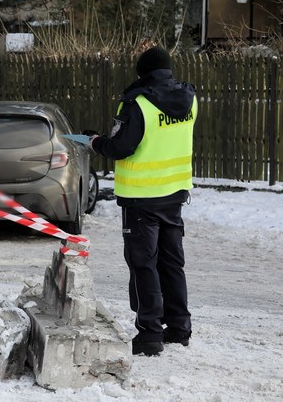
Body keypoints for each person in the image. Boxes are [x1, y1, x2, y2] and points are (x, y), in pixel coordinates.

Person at [88, 46, 197, 356]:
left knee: (143, 264)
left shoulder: (138, 102)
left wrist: (96, 141)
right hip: (174, 195)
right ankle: (178, 327)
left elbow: (121, 147)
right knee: (172, 262)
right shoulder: (190, 99)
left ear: (142, 72)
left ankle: (149, 333)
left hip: (141, 198)